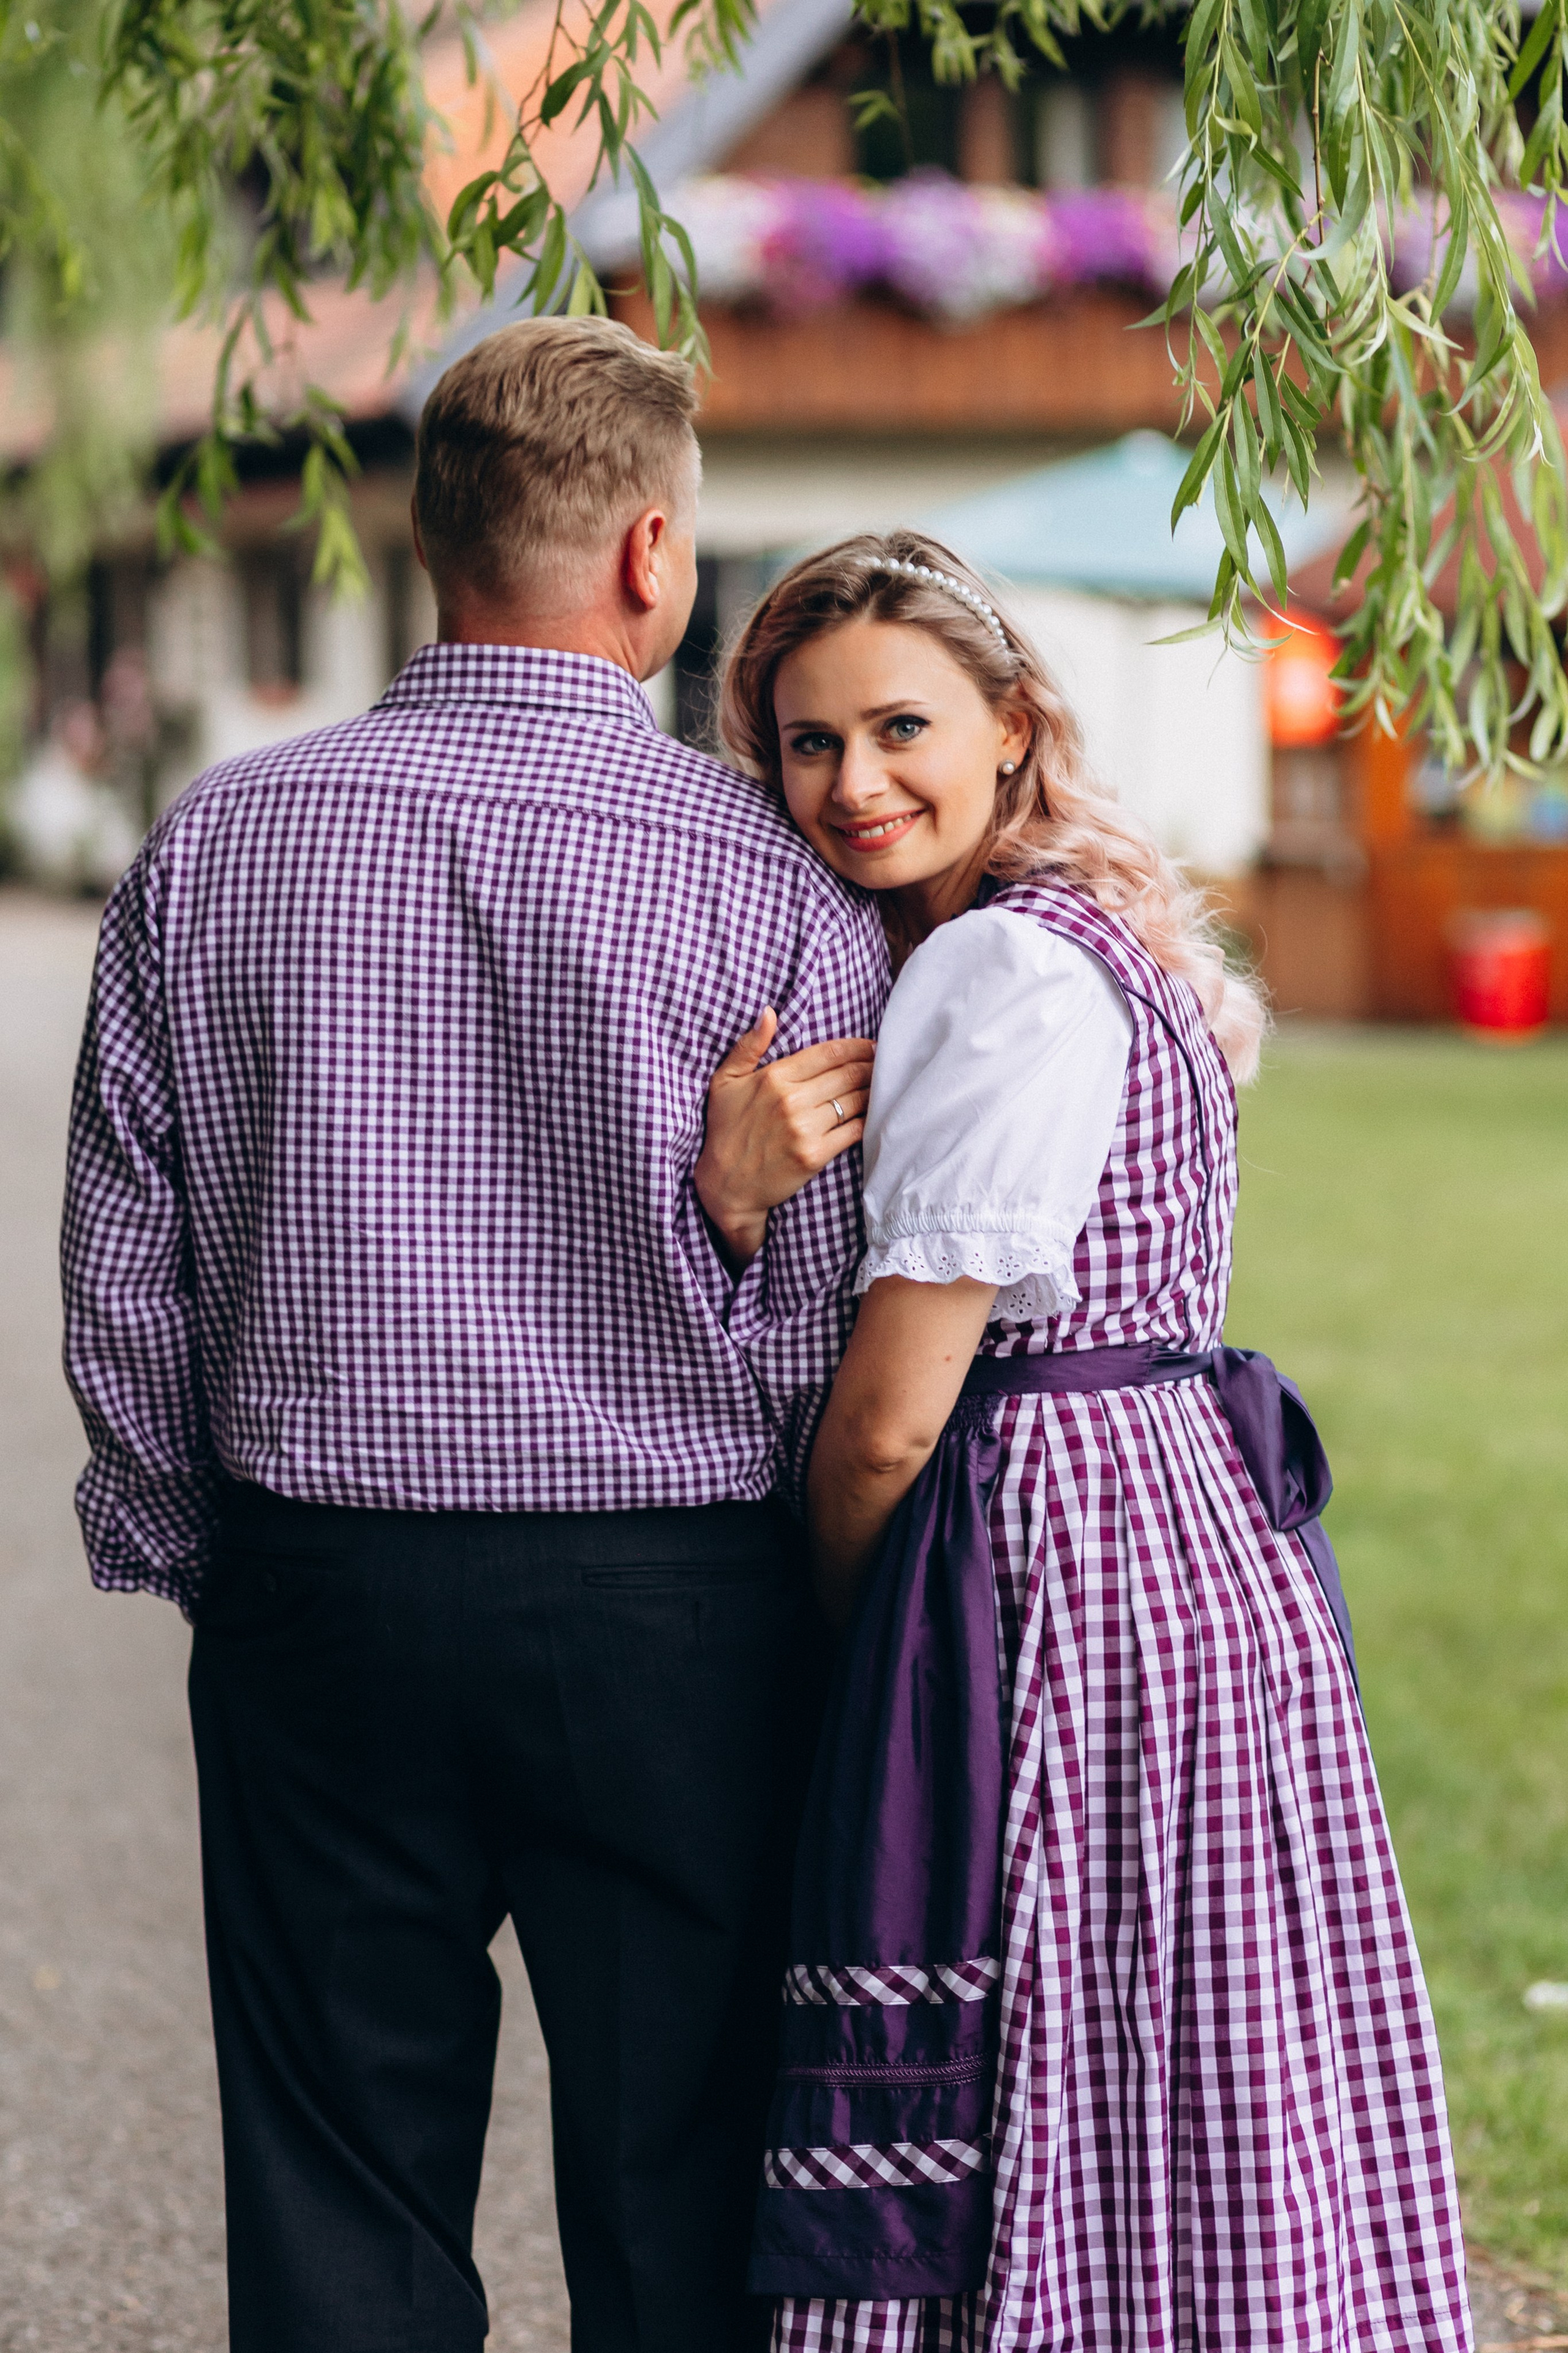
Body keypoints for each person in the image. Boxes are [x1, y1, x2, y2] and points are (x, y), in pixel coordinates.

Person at [59, 317, 885, 2353]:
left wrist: (211, 1553)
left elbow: (120, 1262)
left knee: (340, 2184)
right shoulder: (767, 883)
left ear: (428, 540)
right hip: (674, 1612)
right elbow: (836, 1302)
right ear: (650, 558)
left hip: (318, 1591)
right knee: (682, 2176)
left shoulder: (218, 847)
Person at [693, 532, 1474, 2353]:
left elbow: (888, 1425)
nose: (854, 782)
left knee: (1043, 2006)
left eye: (901, 726)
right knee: (1166, 2030)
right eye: (808, 744)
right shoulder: (1101, 937)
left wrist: (861, 1646)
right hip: (1190, 1530)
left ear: (1015, 724)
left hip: (1059, 1552)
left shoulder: (997, 975)